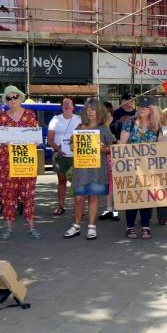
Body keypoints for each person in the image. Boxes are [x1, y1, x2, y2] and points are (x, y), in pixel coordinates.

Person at [0, 86, 41, 241]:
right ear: (5, 100)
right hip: (6, 163)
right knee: (7, 195)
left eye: (15, 97)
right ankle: (8, 228)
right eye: (9, 98)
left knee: (28, 194)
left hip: (25, 160)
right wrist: (1, 142)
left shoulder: (30, 114)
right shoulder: (2, 117)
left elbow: (35, 137)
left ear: (21, 97)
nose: (12, 100)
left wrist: (35, 141)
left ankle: (32, 227)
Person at [119, 96, 167, 240]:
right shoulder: (130, 122)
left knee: (147, 197)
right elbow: (122, 144)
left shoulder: (156, 125)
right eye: (140, 106)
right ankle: (130, 227)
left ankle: (146, 226)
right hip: (131, 166)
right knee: (132, 197)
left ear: (151, 109)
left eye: (146, 107)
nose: (142, 109)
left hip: (149, 168)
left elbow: (160, 145)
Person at [64, 98, 114, 240]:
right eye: (88, 109)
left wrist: (102, 148)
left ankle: (92, 227)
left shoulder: (104, 128)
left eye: (93, 109)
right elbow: (72, 145)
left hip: (97, 169)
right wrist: (74, 146)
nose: (90, 112)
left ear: (99, 111)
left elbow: (111, 149)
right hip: (81, 169)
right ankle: (76, 225)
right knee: (79, 198)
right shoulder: (80, 127)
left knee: (93, 197)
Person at [48, 95, 81, 216]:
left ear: (73, 106)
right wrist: (57, 149)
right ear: (61, 107)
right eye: (64, 103)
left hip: (75, 156)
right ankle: (61, 206)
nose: (67, 105)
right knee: (61, 181)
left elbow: (86, 136)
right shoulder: (55, 119)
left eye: (69, 103)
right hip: (60, 155)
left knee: (76, 182)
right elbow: (50, 139)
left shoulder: (79, 119)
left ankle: (79, 208)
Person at [99, 101, 120, 222]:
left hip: (115, 158)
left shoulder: (117, 124)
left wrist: (112, 137)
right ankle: (108, 209)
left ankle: (116, 210)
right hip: (103, 158)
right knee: (107, 184)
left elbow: (120, 143)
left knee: (116, 184)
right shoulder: (100, 126)